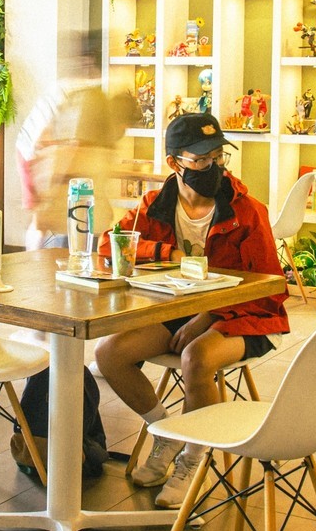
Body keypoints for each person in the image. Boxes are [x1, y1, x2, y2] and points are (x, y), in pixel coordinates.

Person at [93, 112, 289, 508]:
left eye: (218, 156)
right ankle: (167, 432)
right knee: (109, 353)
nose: (212, 166)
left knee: (196, 356)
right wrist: (169, 252)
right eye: (200, 159)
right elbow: (108, 247)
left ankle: (191, 459)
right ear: (174, 163)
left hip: (246, 315)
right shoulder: (155, 205)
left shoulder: (247, 210)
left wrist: (211, 315)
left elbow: (270, 286)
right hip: (178, 310)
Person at [15, 31, 135, 249]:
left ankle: (38, 249)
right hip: (34, 154)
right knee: (41, 223)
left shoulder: (84, 90)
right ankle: (34, 256)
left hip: (40, 155)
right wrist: (50, 186)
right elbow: (64, 144)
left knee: (43, 222)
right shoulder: (82, 92)